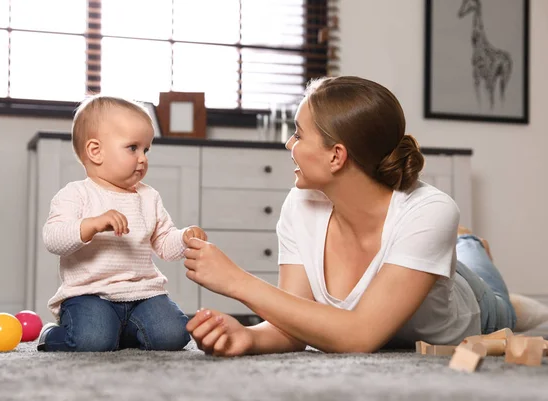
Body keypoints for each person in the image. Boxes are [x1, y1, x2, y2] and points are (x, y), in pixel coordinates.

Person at [181, 76, 537, 357]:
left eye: (298, 135)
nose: (289, 145)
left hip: (474, 304)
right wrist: (247, 336)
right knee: (444, 250)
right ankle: (460, 245)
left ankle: (469, 245)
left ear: (336, 156)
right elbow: (292, 325)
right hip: (417, 255)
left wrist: (237, 282)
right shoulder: (300, 204)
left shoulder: (431, 210)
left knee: (506, 306)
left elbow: (360, 335)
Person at [37, 95, 207, 352]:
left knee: (173, 336)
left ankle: (121, 332)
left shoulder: (148, 197)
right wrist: (91, 225)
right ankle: (52, 335)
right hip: (89, 295)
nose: (143, 158)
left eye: (146, 149)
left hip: (143, 294)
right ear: (96, 151)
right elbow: (53, 238)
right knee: (92, 341)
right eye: (133, 148)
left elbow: (164, 244)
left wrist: (183, 238)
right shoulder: (75, 194)